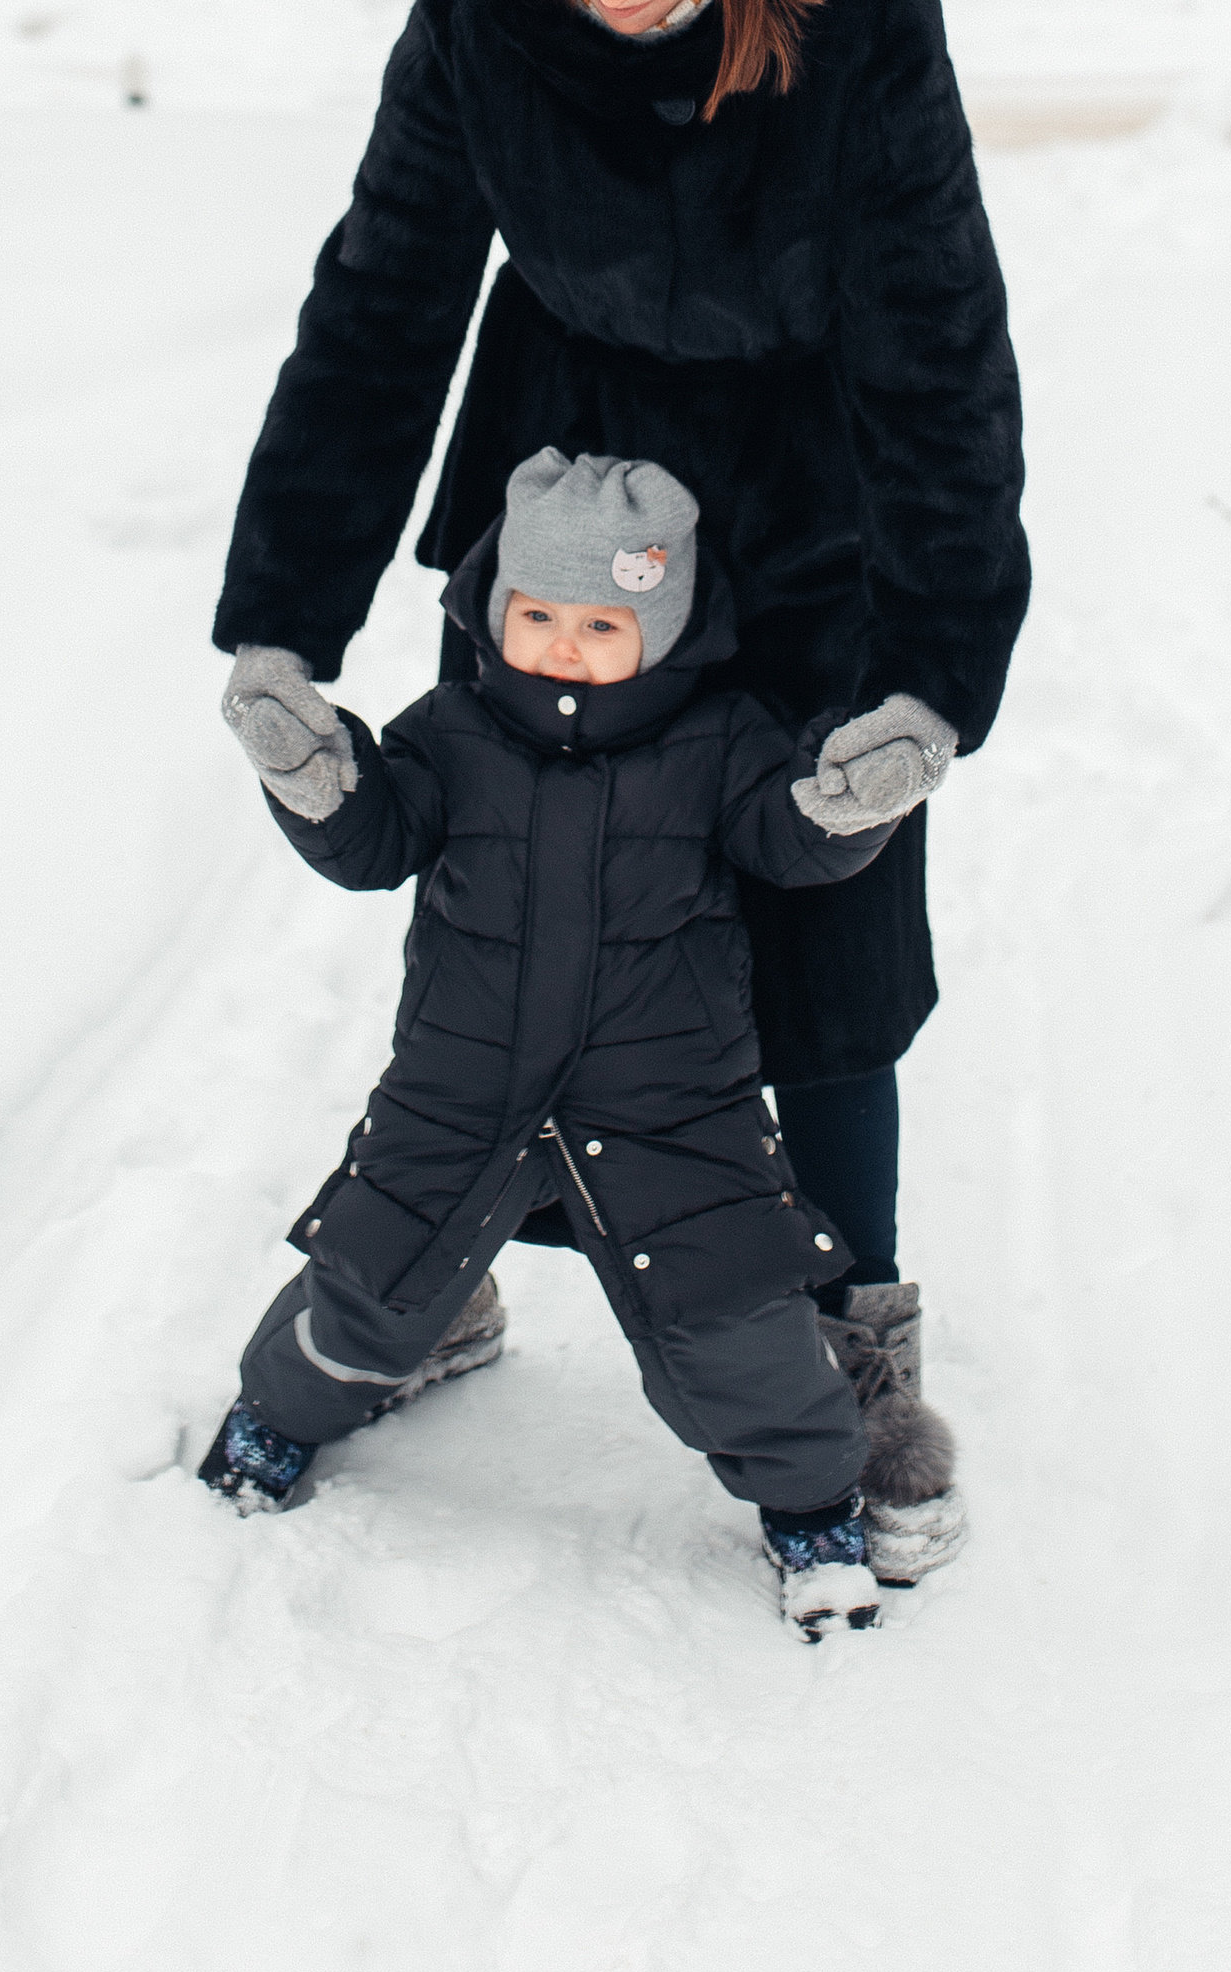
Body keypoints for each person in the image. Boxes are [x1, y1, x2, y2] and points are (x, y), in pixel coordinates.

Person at [214, 0, 1027, 1561]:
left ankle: (842, 1333)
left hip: (804, 515)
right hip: (559, 523)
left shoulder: (866, 35)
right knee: (523, 909)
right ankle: (428, 1289)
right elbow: (382, 300)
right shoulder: (476, 8)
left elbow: (938, 363)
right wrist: (280, 611)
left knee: (816, 948)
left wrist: (927, 665)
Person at [205, 448, 953, 1638]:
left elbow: (787, 840)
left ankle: (815, 1509)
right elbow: (375, 840)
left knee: (738, 1333)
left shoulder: (719, 742)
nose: (563, 643)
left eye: (602, 621)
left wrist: (843, 801)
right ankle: (273, 1419)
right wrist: (315, 777)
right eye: (537, 612)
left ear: (666, 627)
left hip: (671, 1105)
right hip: (459, 1093)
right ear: (495, 609)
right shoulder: (451, 729)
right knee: (366, 1288)